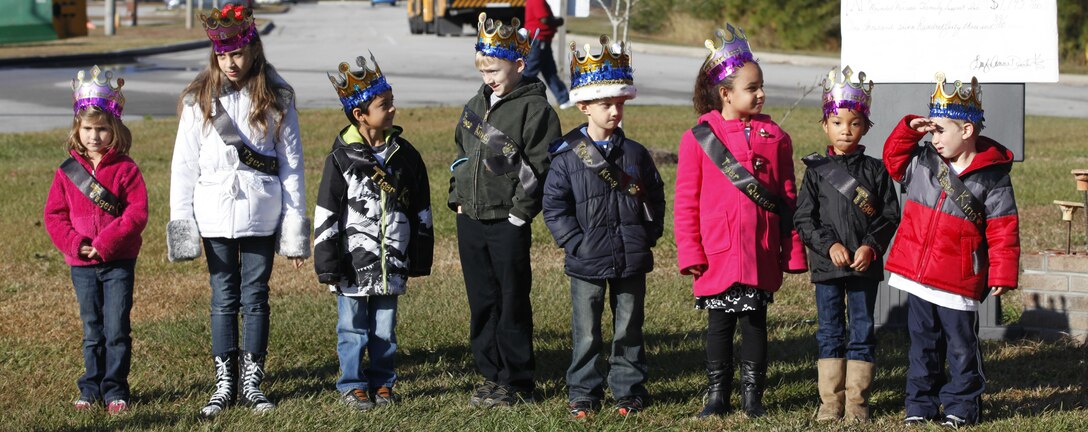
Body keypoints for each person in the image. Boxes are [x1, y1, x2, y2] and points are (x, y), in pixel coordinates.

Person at [166, 3, 309, 418]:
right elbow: (184, 165)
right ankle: (224, 381)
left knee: (256, 296)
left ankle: (252, 380)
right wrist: (183, 222)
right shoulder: (199, 99)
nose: (230, 62)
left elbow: (292, 166)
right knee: (223, 298)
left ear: (253, 50)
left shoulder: (278, 98)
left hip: (262, 212)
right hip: (212, 214)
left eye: (237, 53)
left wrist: (294, 227)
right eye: (222, 54)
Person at [673, 24, 807, 419]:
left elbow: (787, 199)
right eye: (752, 87)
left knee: (754, 324)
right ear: (726, 93)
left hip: (759, 249)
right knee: (718, 326)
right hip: (718, 250)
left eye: (761, 85)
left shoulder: (776, 136)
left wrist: (792, 251)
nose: (760, 93)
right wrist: (690, 252)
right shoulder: (699, 137)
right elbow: (685, 202)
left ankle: (753, 396)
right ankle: (717, 395)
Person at [883, 73, 1019, 428]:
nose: (935, 137)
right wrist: (909, 130)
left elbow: (1003, 228)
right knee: (921, 346)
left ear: (968, 131)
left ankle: (961, 405)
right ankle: (920, 405)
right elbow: (893, 159)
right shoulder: (923, 162)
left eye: (941, 130)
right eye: (932, 131)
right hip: (917, 275)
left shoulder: (993, 176)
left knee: (961, 348)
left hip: (957, 279)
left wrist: (1003, 272)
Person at [542, 36, 665, 419]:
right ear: (583, 106)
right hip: (586, 259)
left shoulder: (636, 154)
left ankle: (628, 390)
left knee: (629, 328)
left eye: (619, 104)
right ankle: (583, 392)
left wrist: (648, 234)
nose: (614, 112)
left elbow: (655, 197)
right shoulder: (567, 158)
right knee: (587, 332)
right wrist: (575, 243)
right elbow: (554, 206)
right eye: (605, 104)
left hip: (631, 255)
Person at [449, 13, 561, 408]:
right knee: (482, 300)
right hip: (471, 219)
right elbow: (461, 155)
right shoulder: (474, 103)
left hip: (507, 222)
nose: (488, 78)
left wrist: (520, 213)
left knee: (512, 300)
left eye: (494, 70)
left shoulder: (536, 110)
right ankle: (490, 375)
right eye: (482, 70)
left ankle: (517, 381)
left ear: (518, 63)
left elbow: (542, 166)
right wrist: (456, 197)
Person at [314, 53, 434, 412]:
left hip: (391, 261)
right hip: (352, 263)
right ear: (360, 115)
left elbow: (420, 208)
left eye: (392, 101)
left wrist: (419, 254)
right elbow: (327, 213)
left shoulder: (406, 156)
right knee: (352, 327)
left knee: (384, 328)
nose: (393, 109)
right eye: (385, 105)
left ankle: (382, 382)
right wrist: (327, 261)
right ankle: (352, 383)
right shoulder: (340, 160)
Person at [793, 67, 900, 423]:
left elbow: (889, 215)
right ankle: (830, 402)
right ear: (825, 125)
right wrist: (829, 246)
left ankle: (857, 402)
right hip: (828, 267)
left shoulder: (876, 169)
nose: (845, 130)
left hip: (864, 267)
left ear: (866, 126)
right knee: (829, 330)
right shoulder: (816, 171)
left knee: (862, 328)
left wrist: (870, 246)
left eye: (854, 123)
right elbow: (805, 219)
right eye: (838, 122)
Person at [44, 66, 148, 416]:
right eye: (88, 129)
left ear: (114, 128)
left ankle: (116, 388)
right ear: (78, 128)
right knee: (92, 329)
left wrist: (105, 243)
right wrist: (75, 245)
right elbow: (54, 216)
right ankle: (90, 387)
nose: (94, 136)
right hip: (82, 264)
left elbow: (136, 214)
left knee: (116, 328)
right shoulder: (66, 171)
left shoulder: (127, 169)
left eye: (102, 128)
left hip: (118, 261)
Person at [523, 0, 572, 108]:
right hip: (538, 41)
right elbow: (544, 19)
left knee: (549, 71)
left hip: (542, 40)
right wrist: (559, 21)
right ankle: (518, 96)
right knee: (530, 71)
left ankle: (564, 99)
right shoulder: (537, 1)